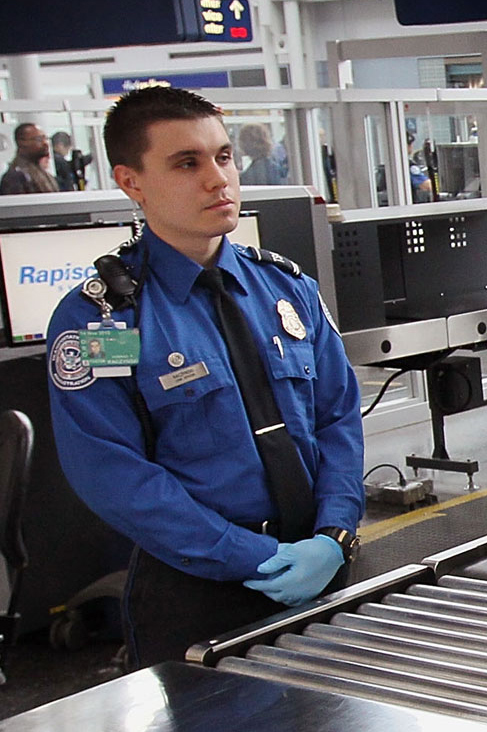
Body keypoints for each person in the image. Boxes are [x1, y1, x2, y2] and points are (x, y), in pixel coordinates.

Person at [45, 86, 363, 668]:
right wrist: (250, 555)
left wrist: (335, 533)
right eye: (187, 163)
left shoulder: (287, 288)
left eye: (222, 157)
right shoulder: (105, 318)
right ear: (131, 181)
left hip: (323, 564)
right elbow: (112, 472)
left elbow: (338, 416)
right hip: (198, 588)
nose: (218, 180)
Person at [0, 123, 58, 195]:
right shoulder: (15, 177)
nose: (45, 143)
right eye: (39, 139)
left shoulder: (41, 172)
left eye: (46, 139)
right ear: (22, 142)